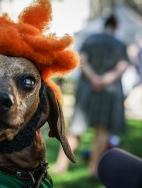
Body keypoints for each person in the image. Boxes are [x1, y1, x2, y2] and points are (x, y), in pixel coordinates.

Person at [51, 14, 130, 176]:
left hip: (88, 88)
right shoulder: (121, 45)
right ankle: (93, 169)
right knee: (102, 130)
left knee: (76, 129)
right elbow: (121, 68)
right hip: (109, 92)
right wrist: (104, 80)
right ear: (115, 26)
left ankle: (61, 165)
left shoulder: (91, 39)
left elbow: (83, 61)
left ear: (104, 24)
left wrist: (94, 78)